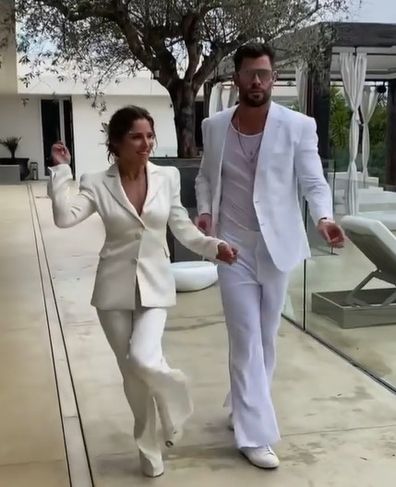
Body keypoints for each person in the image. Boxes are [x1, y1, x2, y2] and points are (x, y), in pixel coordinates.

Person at [48, 105, 237, 478]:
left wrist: (214, 247)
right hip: (113, 289)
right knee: (131, 374)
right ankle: (149, 448)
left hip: (155, 284)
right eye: (136, 136)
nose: (146, 143)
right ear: (116, 142)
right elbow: (64, 217)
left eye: (150, 135)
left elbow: (182, 227)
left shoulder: (166, 177)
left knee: (144, 359)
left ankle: (175, 400)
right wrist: (60, 172)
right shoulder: (96, 182)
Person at [195, 43, 345, 469]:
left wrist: (324, 218)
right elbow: (206, 179)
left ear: (273, 76)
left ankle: (242, 405)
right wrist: (205, 213)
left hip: (278, 246)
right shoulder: (215, 126)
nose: (257, 81)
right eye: (249, 74)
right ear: (237, 78)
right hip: (233, 248)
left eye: (264, 73)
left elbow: (314, 182)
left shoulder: (298, 126)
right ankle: (254, 434)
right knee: (244, 339)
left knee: (265, 338)